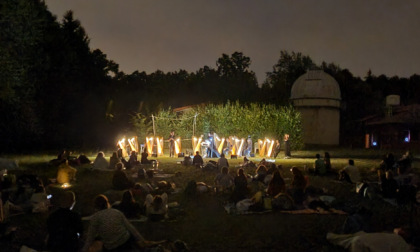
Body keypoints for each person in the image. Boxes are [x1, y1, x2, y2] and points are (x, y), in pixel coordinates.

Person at [82, 194, 149, 252]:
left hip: (111, 246)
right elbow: (130, 228)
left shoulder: (95, 218)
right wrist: (142, 240)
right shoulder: (116, 212)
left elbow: (90, 237)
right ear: (106, 203)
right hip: (125, 241)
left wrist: (84, 249)